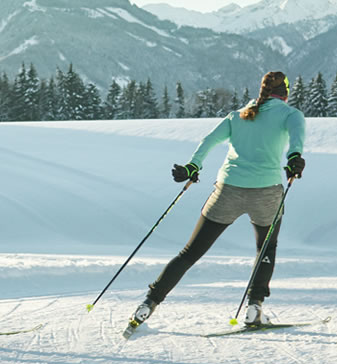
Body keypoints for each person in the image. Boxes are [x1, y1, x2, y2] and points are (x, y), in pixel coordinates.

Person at [128, 71, 305, 334]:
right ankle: (254, 307)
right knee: (265, 248)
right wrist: (294, 160)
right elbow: (296, 142)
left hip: (228, 190)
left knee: (190, 252)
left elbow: (208, 141)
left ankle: (148, 304)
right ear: (286, 93)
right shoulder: (292, 115)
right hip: (266, 192)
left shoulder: (239, 115)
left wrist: (192, 167)